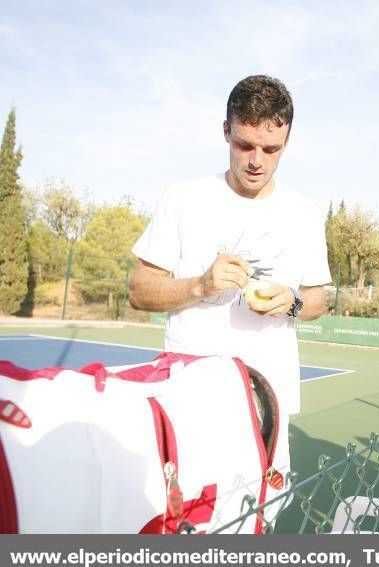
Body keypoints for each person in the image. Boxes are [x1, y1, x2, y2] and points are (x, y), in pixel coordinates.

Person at [128, 75, 331, 480]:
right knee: (186, 519)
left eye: (271, 149)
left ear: (286, 143)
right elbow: (138, 289)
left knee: (260, 518)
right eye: (245, 145)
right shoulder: (183, 198)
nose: (257, 160)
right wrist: (199, 286)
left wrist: (290, 302)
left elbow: (317, 301)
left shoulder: (305, 213)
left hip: (268, 401)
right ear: (226, 132)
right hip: (189, 398)